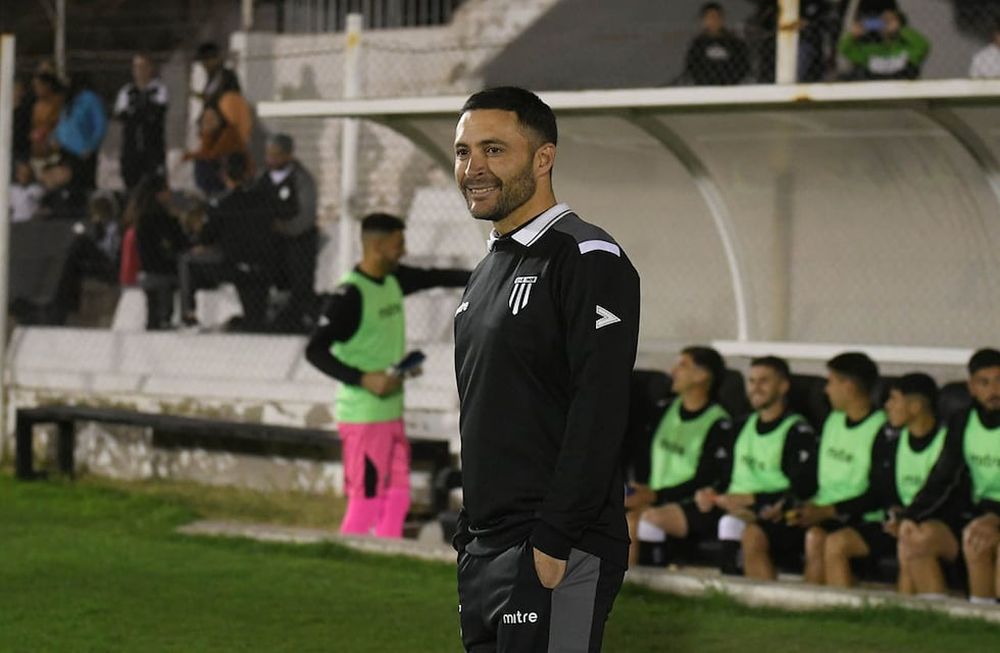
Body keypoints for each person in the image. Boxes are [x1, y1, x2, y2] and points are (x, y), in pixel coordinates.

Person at [452, 86, 641, 652]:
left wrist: (555, 540)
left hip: (555, 544)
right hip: (485, 549)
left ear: (543, 158)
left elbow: (601, 407)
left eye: (493, 150)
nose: (473, 168)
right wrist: (470, 536)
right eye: (463, 152)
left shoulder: (587, 257)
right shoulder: (487, 269)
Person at [305, 213, 469, 539]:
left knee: (397, 498)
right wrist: (363, 378)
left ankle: (386, 557)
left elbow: (436, 277)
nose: (404, 251)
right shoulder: (349, 296)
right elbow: (315, 350)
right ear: (377, 246)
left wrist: (491, 271)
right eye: (398, 244)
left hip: (391, 413)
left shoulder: (394, 279)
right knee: (366, 500)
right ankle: (346, 566)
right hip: (364, 418)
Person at [900, 348, 1000, 604]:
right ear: (971, 387)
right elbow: (943, 475)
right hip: (978, 514)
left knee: (978, 539)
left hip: (993, 517)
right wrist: (911, 515)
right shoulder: (963, 421)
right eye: (984, 383)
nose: (994, 390)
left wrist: (995, 517)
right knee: (916, 540)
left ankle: (984, 623)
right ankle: (941, 625)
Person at [787, 352, 890, 586]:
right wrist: (792, 502)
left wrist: (828, 511)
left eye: (831, 382)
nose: (826, 390)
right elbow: (812, 473)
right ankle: (811, 610)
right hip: (827, 512)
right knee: (812, 536)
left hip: (863, 516)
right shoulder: (833, 421)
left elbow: (879, 492)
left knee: (830, 541)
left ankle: (840, 610)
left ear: (849, 386)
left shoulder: (881, 429)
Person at [712, 356, 818, 581]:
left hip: (775, 508)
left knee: (735, 525)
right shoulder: (740, 425)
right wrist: (711, 493)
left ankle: (751, 597)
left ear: (783, 386)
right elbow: (721, 473)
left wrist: (752, 499)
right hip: (731, 504)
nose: (755, 388)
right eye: (751, 381)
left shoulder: (797, 431)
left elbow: (803, 486)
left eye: (763, 382)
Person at [627, 347, 732, 568]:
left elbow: (707, 477)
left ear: (702, 375)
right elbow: (642, 455)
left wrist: (655, 495)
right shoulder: (663, 410)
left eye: (682, 365)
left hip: (691, 502)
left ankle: (630, 586)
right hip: (655, 495)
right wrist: (640, 489)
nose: (673, 371)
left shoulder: (719, 423)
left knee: (636, 521)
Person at [875, 374, 962, 598]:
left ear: (914, 406)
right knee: (908, 534)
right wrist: (896, 515)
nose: (887, 406)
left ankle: (927, 615)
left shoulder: (947, 441)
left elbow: (949, 491)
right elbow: (884, 489)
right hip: (907, 520)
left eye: (894, 399)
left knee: (913, 538)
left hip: (943, 523)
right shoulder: (891, 441)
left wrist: (909, 518)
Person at [179, 152, 275, 331]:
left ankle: (189, 313)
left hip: (232, 263)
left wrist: (202, 241)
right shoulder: (263, 199)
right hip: (265, 264)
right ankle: (252, 321)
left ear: (225, 175)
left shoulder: (222, 203)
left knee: (187, 260)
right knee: (256, 318)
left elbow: (207, 237)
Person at [256, 134, 318, 332]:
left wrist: (287, 227)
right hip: (271, 244)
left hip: (298, 242)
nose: (272, 159)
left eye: (277, 155)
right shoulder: (261, 178)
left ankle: (298, 320)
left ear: (288, 155)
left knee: (299, 283)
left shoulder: (301, 179)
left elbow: (307, 214)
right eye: (269, 154)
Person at [128, 175, 188, 329]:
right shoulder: (162, 218)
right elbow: (180, 243)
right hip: (163, 271)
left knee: (153, 316)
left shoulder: (141, 217)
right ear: (158, 193)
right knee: (163, 316)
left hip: (148, 272)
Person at [114, 53, 168, 191]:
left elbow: (156, 113)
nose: (140, 70)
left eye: (144, 66)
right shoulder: (126, 91)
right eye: (137, 67)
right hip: (131, 148)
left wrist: (138, 110)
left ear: (151, 68)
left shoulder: (159, 89)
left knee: (155, 186)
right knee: (131, 185)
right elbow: (122, 115)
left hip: (153, 148)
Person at [838, 8, 930, 81]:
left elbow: (922, 45)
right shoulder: (871, 50)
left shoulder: (907, 49)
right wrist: (853, 35)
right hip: (875, 87)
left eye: (890, 20)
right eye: (883, 21)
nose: (886, 23)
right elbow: (845, 50)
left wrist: (901, 29)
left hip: (902, 86)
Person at [54, 74, 108, 191]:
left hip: (82, 151)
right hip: (65, 149)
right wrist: (56, 136)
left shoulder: (90, 98)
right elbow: (63, 122)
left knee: (82, 184)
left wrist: (91, 146)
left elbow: (100, 125)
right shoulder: (70, 99)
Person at [683, 3, 751, 86]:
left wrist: (728, 83)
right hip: (705, 88)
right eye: (710, 17)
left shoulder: (735, 43)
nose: (714, 20)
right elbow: (692, 67)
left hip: (730, 89)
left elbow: (743, 66)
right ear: (704, 21)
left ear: (722, 20)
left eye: (717, 17)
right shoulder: (697, 45)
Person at [184, 106, 245, 197]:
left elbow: (215, 155)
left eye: (212, 118)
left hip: (229, 189)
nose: (208, 122)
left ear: (219, 121)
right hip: (205, 189)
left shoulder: (228, 137)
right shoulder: (199, 143)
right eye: (206, 119)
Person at [30, 72, 64, 160]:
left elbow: (59, 122)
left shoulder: (59, 102)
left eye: (38, 86)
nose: (36, 89)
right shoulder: (37, 105)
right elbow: (35, 126)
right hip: (39, 147)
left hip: (58, 144)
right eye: (34, 87)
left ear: (48, 85)